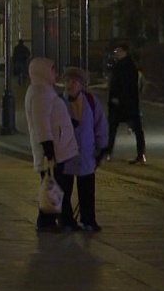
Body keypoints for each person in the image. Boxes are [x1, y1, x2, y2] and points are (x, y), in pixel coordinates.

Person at [25, 57, 79, 232]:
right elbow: (42, 125)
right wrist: (49, 152)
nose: (54, 74)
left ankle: (59, 220)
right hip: (54, 152)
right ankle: (51, 221)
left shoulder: (44, 91)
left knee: (57, 188)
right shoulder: (40, 93)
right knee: (56, 187)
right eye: (52, 70)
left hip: (58, 150)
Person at [62, 67, 108, 231]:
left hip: (86, 152)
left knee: (87, 189)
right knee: (64, 189)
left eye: (73, 82)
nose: (69, 85)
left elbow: (99, 124)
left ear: (81, 85)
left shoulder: (90, 100)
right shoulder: (60, 102)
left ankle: (88, 220)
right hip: (65, 153)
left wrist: (102, 147)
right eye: (67, 81)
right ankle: (66, 220)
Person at [106, 41, 146, 164]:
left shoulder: (125, 66)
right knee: (134, 129)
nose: (116, 54)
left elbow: (123, 85)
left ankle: (109, 152)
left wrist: (116, 97)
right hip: (127, 103)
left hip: (123, 103)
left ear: (124, 52)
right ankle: (140, 154)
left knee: (114, 128)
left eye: (117, 51)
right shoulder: (126, 65)